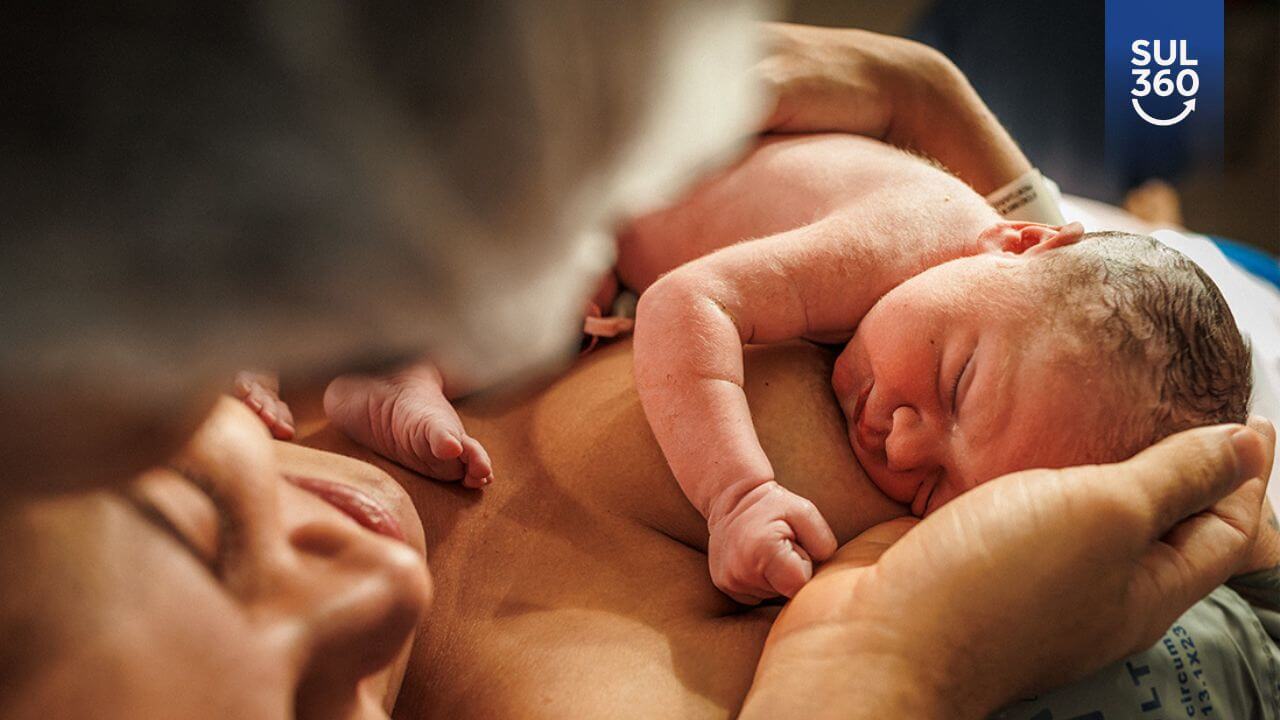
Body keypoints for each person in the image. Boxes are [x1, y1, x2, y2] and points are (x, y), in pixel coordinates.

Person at [0, 5, 1272, 717]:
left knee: (1137, 59)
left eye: (193, 523)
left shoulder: (134, 352)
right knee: (1147, 68)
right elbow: (1232, 523)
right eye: (311, 716)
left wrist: (942, 117)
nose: (380, 586)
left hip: (1042, 246)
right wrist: (880, 672)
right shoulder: (600, 684)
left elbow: (1022, 292)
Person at [629, 133, 1249, 602]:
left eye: (935, 490)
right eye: (957, 384)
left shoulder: (962, 313)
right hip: (625, 165)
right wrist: (737, 497)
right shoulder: (915, 231)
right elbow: (685, 302)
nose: (900, 446)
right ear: (1020, 243)